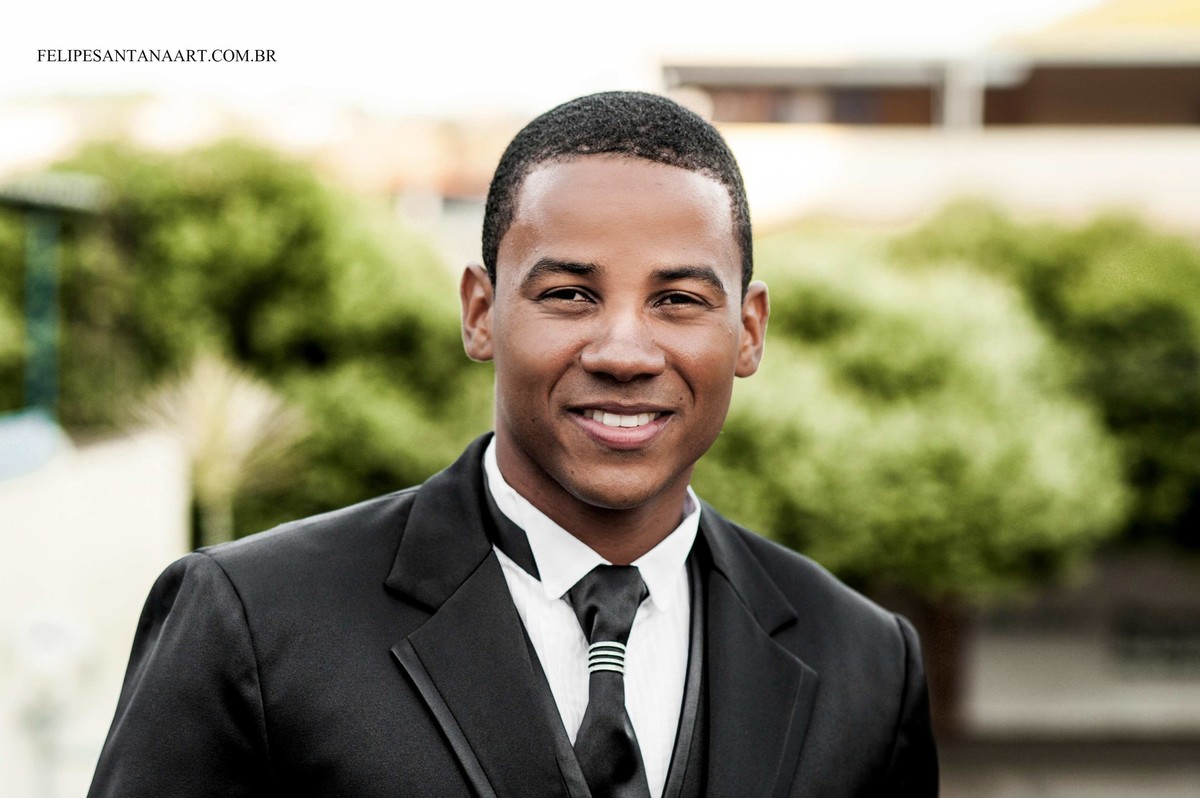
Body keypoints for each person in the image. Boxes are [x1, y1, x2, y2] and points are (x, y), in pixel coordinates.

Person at [89, 91, 937, 797]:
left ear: (747, 332)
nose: (624, 352)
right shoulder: (252, 623)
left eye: (678, 300)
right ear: (480, 313)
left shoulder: (864, 662)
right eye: (570, 294)